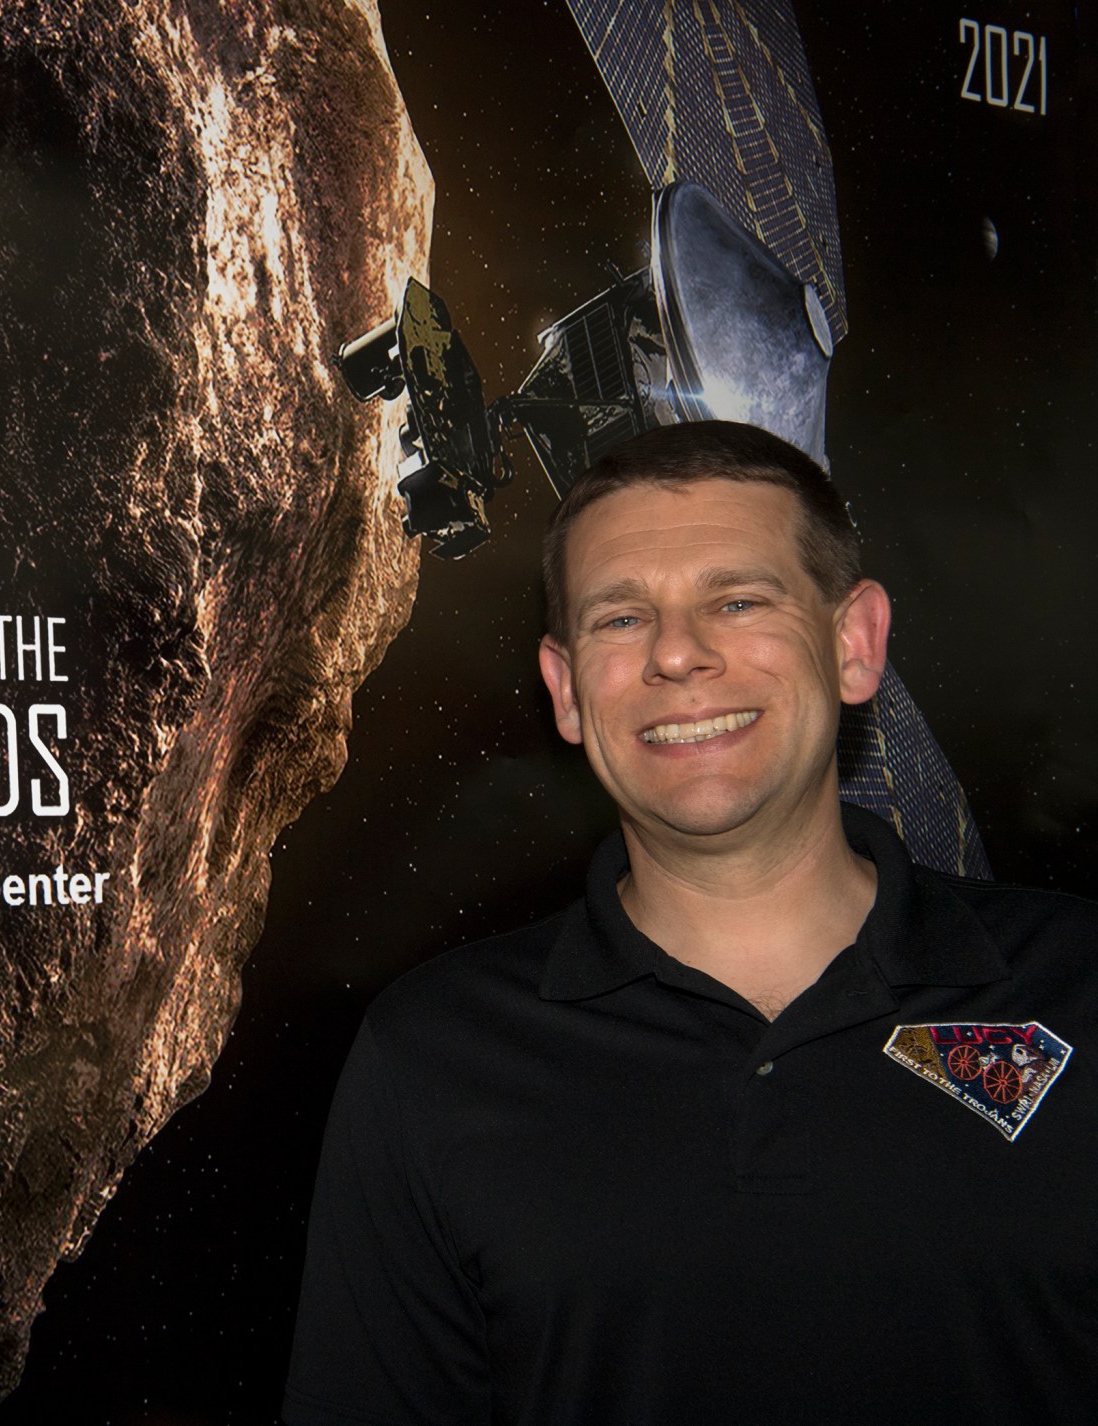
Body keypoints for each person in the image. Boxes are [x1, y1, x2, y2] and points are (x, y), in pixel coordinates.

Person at [283, 421, 1097, 1422]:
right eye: (619, 619)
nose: (674, 653)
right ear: (565, 689)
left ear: (854, 643)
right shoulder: (432, 1058)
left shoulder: (1077, 989)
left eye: (737, 599)